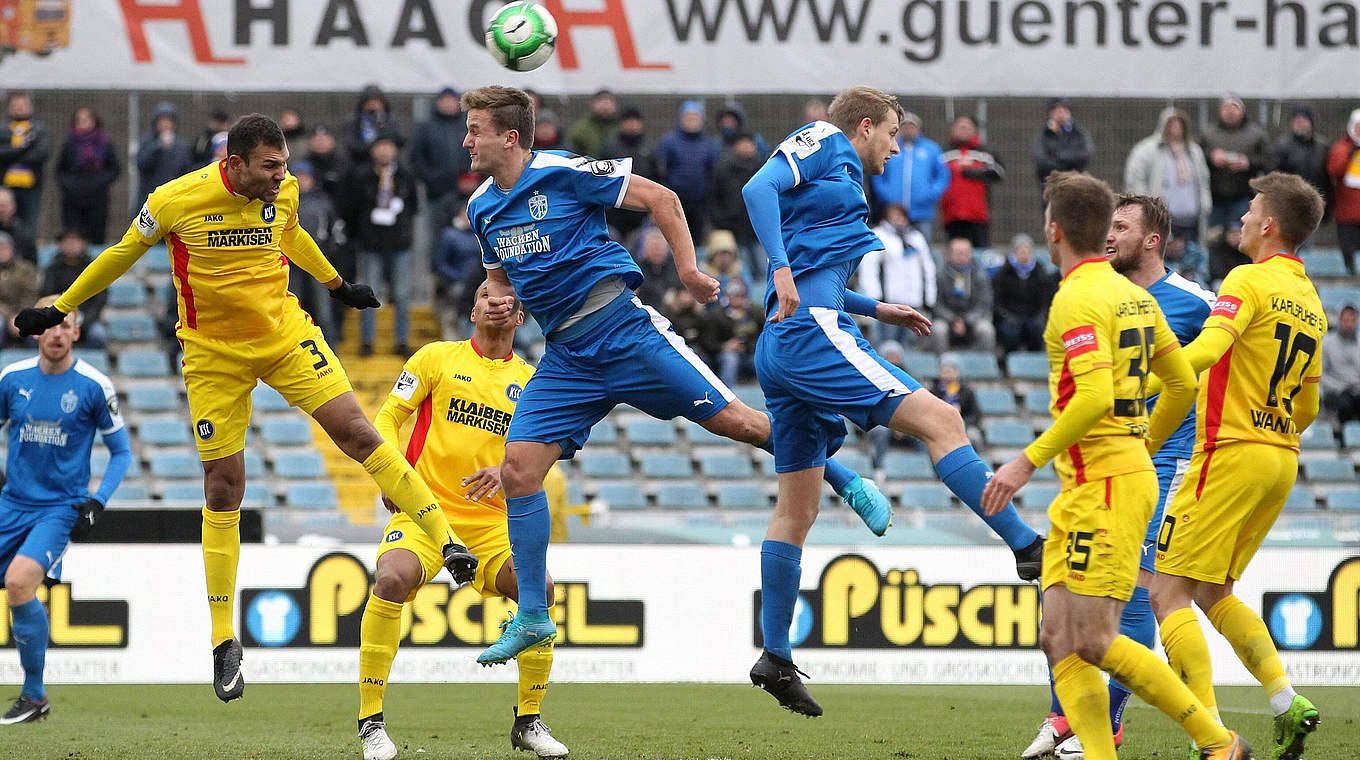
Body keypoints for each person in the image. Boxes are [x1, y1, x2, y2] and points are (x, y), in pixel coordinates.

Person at [14, 114, 477, 705]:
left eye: (284, 165)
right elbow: (120, 255)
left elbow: (291, 236)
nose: (283, 176)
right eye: (271, 165)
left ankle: (448, 540)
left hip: (283, 334)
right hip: (212, 356)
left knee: (357, 432)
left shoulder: (281, 191)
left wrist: (336, 285)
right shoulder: (175, 199)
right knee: (223, 488)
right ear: (234, 164)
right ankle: (223, 640)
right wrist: (61, 309)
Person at [461, 86, 893, 669]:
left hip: (624, 330)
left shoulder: (563, 172)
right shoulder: (482, 207)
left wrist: (688, 269)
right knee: (518, 470)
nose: (466, 141)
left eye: (475, 130)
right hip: (566, 356)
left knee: (737, 422)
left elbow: (661, 198)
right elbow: (501, 282)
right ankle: (534, 614)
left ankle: (841, 475)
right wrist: (494, 300)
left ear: (508, 138)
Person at [742, 86, 1044, 716]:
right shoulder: (826, 141)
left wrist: (877, 307)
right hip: (808, 331)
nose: (895, 151)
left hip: (790, 336)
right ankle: (1025, 546)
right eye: (893, 137)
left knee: (795, 510)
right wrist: (777, 267)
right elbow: (756, 190)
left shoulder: (840, 180)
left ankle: (774, 654)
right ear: (867, 124)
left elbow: (814, 268)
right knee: (944, 419)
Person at [982, 171, 1250, 760]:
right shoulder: (1133, 297)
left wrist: (1024, 463)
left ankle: (1217, 741)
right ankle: (1091, 744)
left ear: (1053, 230)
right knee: (1057, 633)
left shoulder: (1079, 298)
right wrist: (1144, 442)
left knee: (1096, 639)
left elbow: (1097, 396)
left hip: (1104, 484)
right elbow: (1181, 380)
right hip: (1103, 479)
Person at [1022, 194, 1214, 760]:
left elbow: (1206, 369)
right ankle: (1067, 720)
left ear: (1152, 239)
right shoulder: (1112, 294)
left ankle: (1116, 727)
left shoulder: (1195, 301)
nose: (1110, 236)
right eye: (1106, 225)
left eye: (1122, 227)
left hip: (1157, 462)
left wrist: (1149, 439)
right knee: (1059, 616)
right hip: (1093, 468)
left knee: (1134, 597)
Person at [1148, 173, 1328, 760]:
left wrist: (1140, 386)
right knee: (1213, 590)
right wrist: (1274, 431)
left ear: (1269, 225)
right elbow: (1310, 404)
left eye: (1251, 211)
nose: (1244, 219)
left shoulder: (1247, 279)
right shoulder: (1311, 299)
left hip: (1229, 452)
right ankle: (1286, 701)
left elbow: (1206, 350)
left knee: (1166, 592)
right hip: (1280, 460)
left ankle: (1215, 741)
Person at [357, 283, 568, 760]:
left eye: (507, 297)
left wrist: (508, 469)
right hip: (425, 512)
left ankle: (529, 721)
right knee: (391, 578)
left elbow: (549, 450)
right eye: (486, 294)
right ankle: (371, 722)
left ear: (519, 318)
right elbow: (387, 420)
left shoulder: (534, 382)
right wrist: (393, 475)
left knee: (542, 589)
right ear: (473, 309)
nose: (497, 300)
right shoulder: (435, 358)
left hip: (493, 522)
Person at [0, 296, 131, 724]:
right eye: (49, 325)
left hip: (57, 508)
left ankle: (34, 696)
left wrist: (97, 502)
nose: (56, 333)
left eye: (65, 325)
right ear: (37, 331)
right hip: (11, 502)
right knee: (18, 587)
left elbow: (122, 453)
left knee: (19, 583)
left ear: (76, 332)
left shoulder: (94, 385)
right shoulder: (11, 379)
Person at [342, 132, 418, 357]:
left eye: (389, 145)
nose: (384, 151)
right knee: (368, 292)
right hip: (371, 244)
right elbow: (351, 210)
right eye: (380, 146)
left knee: (402, 294)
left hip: (399, 244)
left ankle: (401, 341)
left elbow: (413, 207)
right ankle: (367, 341)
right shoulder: (361, 176)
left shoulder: (405, 175)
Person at [1124, 107, 1212, 244]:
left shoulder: (1194, 152)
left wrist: (1206, 204)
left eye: (1179, 124)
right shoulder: (1147, 150)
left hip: (1192, 222)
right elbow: (1136, 180)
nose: (1175, 129)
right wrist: (1148, 208)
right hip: (1163, 221)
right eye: (1171, 124)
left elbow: (1204, 180)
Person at [861, 203, 935, 345]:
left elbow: (927, 268)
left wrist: (929, 299)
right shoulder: (879, 235)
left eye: (901, 216)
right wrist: (875, 297)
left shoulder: (916, 237)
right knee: (888, 345)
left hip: (914, 300)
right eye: (894, 216)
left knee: (910, 344)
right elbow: (869, 269)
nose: (898, 220)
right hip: (889, 302)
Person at [870, 111, 950, 242]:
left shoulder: (932, 149)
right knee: (892, 247)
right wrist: (887, 195)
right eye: (904, 127)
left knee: (922, 246)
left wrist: (931, 193)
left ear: (918, 128)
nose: (908, 130)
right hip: (894, 212)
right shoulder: (890, 147)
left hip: (922, 212)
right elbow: (877, 175)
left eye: (911, 126)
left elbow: (943, 175)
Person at [412, 86, 472, 246]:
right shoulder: (426, 127)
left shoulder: (467, 125)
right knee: (438, 236)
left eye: (452, 101)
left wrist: (473, 178)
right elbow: (417, 157)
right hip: (437, 194)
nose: (448, 104)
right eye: (444, 101)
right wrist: (432, 180)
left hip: (466, 192)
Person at [1201, 95, 1269, 233]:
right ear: (1220, 111)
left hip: (1243, 197)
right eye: (1226, 108)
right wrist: (1211, 157)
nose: (1230, 112)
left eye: (1234, 108)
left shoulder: (1257, 134)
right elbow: (1197, 156)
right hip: (1215, 198)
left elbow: (1268, 159)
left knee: (1242, 238)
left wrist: (1248, 162)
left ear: (1242, 111)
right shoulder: (1207, 133)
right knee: (1214, 238)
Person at [657, 101, 721, 243]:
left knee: (696, 241)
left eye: (695, 117)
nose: (691, 121)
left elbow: (713, 173)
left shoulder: (709, 145)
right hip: (675, 202)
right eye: (688, 117)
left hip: (700, 204)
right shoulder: (669, 142)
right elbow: (662, 172)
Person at [289, 162, 339, 341]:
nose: (302, 181)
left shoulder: (323, 202)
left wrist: (329, 253)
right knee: (293, 310)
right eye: (298, 177)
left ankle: (331, 351)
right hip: (291, 263)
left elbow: (335, 231)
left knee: (324, 311)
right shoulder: (284, 202)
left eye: (305, 177)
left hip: (317, 262)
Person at [56, 107, 120, 245]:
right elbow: (60, 170)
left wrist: (99, 183)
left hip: (98, 196)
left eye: (86, 119)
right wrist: (70, 185)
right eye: (79, 120)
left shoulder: (105, 143)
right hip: (73, 197)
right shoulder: (69, 144)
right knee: (74, 231)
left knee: (96, 233)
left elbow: (115, 169)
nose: (83, 123)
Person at [940, 115, 1004, 249]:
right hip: (952, 214)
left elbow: (1000, 173)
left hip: (978, 214)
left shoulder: (985, 152)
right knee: (956, 252)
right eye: (960, 125)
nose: (963, 129)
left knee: (980, 252)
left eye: (967, 125)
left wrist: (976, 173)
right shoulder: (943, 152)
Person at [708, 133, 766, 279]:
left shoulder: (764, 169)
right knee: (738, 272)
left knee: (763, 270)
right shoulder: (723, 169)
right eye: (742, 142)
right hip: (731, 229)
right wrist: (721, 220)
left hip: (758, 231)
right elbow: (713, 197)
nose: (745, 147)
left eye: (749, 143)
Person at [40, 231, 109, 348]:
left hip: (88, 317)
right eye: (67, 242)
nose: (71, 245)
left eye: (75, 241)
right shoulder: (53, 268)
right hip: (58, 317)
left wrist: (86, 319)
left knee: (98, 334)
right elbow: (47, 294)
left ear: (83, 244)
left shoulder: (94, 266)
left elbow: (100, 298)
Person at [991, 233, 1056, 353]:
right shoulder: (1003, 273)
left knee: (1037, 331)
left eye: (1027, 251)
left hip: (1032, 316)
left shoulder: (1040, 272)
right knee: (1010, 334)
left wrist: (1040, 316)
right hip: (1009, 316)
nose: (1024, 254)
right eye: (1020, 251)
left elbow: (1045, 299)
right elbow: (997, 301)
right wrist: (1005, 316)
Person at [600, 107, 656, 246]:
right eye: (628, 121)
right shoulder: (609, 147)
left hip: (642, 212)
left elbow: (658, 178)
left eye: (635, 121)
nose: (632, 125)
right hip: (614, 212)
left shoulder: (650, 148)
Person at [932, 237, 996, 352]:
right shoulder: (939, 275)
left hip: (973, 319)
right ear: (949, 254)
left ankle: (983, 365)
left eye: (965, 253)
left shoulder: (980, 275)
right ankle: (944, 364)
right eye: (958, 253)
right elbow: (936, 303)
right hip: (947, 319)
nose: (962, 256)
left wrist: (967, 321)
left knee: (986, 330)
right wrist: (953, 319)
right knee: (938, 329)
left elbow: (984, 304)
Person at [431, 203, 483, 341]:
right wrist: (458, 277)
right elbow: (439, 264)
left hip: (479, 280)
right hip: (457, 282)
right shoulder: (449, 236)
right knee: (460, 292)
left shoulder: (479, 235)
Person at [1269, 105, 1331, 220]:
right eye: (1297, 121)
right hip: (1290, 204)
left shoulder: (1322, 146)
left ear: (1311, 122)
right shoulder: (1282, 145)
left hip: (1315, 204)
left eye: (1303, 121)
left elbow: (1327, 178)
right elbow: (1273, 174)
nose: (1300, 124)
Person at [0, 93, 51, 231]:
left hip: (31, 187)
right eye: (15, 106)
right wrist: (23, 147)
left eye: (22, 106)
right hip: (5, 186)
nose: (18, 109)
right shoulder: (3, 129)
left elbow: (40, 155)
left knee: (29, 223)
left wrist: (12, 155)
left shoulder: (39, 130)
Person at [703, 280, 764, 387]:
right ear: (727, 296)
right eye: (733, 296)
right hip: (723, 355)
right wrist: (724, 346)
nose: (737, 299)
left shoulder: (756, 312)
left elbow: (764, 336)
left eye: (740, 296)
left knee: (762, 357)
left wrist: (747, 346)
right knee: (730, 358)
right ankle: (727, 393)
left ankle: (768, 391)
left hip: (751, 352)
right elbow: (708, 342)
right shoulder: (716, 315)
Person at [135, 102, 194, 210]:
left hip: (173, 197)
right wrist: (158, 147)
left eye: (168, 121)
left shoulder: (181, 146)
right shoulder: (147, 142)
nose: (165, 124)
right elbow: (141, 164)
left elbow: (187, 172)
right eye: (162, 121)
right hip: (149, 196)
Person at [1032, 98, 1094, 191]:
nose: (1061, 114)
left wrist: (1060, 156)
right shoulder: (1043, 134)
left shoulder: (1079, 133)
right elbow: (1040, 158)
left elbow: (1086, 153)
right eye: (1057, 111)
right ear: (1051, 113)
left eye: (1064, 110)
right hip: (1051, 184)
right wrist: (1060, 167)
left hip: (1076, 183)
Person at [1327, 108, 1360, 274]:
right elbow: (1334, 170)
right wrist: (1350, 155)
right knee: (1348, 252)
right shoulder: (1341, 148)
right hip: (1346, 213)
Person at [343, 85, 406, 164]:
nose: (373, 105)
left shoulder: (392, 120)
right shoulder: (354, 122)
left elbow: (401, 140)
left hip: (389, 163)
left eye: (377, 102)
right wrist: (374, 149)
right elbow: (351, 145)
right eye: (370, 102)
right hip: (361, 164)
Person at [1322, 304, 1360, 424]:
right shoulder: (1327, 343)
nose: (1349, 324)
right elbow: (1321, 374)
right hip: (1336, 391)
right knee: (1344, 405)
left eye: (1352, 320)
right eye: (1346, 320)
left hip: (1356, 390)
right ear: (1339, 320)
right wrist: (1340, 387)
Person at [0, 231, 38, 347]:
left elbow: (31, 295)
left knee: (35, 326)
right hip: (2, 314)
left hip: (25, 311)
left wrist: (20, 315)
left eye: (4, 248)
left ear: (12, 249)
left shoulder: (26, 269)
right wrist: (9, 316)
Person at [633, 228, 681, 309]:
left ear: (666, 249)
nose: (657, 252)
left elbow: (680, 287)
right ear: (645, 249)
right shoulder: (637, 268)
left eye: (659, 248)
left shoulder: (676, 266)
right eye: (653, 248)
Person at [566, 89, 619, 159]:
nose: (605, 106)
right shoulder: (580, 129)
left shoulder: (622, 127)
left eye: (608, 103)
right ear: (593, 104)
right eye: (601, 102)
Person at [0, 189, 36, 264]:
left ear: (13, 207)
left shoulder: (25, 234)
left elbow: (32, 264)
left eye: (4, 205)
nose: (1, 210)